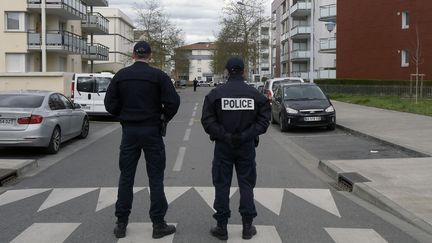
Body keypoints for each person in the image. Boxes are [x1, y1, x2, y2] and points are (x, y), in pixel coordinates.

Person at [104, 41, 180, 239]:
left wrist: (123, 113)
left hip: (129, 132)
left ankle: (121, 223)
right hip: (152, 131)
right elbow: (173, 101)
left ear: (133, 56)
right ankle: (158, 224)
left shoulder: (121, 76)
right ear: (150, 56)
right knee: (155, 178)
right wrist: (163, 116)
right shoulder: (159, 76)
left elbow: (109, 104)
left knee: (126, 177)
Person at [201, 56, 271, 240]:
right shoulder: (255, 95)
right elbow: (264, 121)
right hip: (246, 146)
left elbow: (207, 120)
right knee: (246, 184)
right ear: (244, 71)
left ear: (226, 71)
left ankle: (222, 227)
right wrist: (245, 135)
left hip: (223, 146)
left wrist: (225, 135)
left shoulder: (216, 94)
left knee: (222, 185)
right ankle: (247, 227)